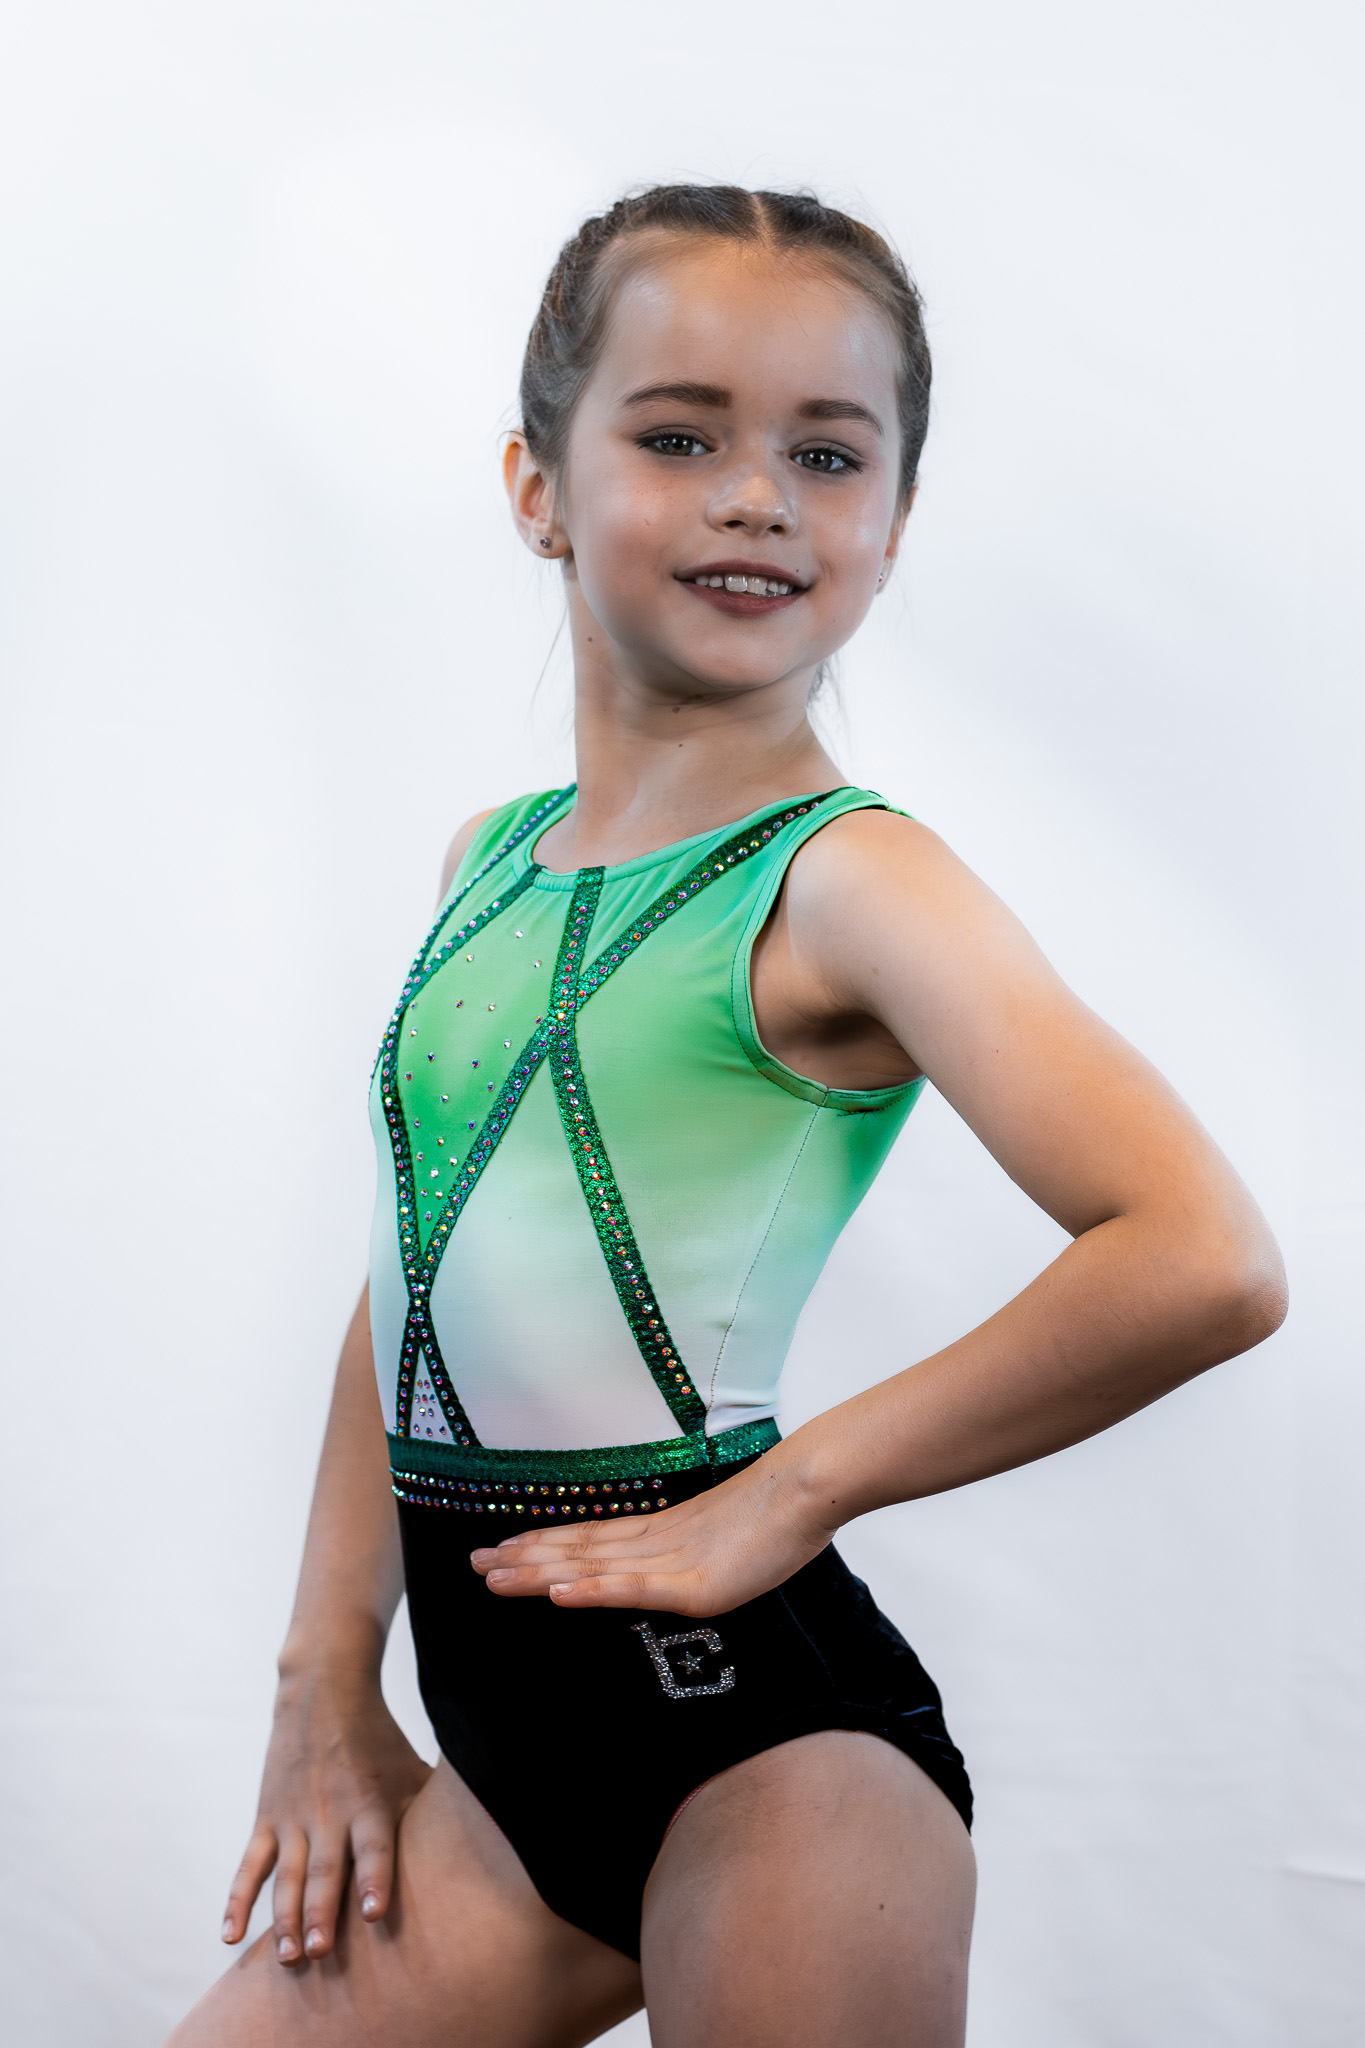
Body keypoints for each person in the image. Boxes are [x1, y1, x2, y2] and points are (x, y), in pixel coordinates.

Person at [167, 185, 1286, 2048]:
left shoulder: (853, 881)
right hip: (507, 1777)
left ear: (892, 524)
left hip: (769, 1771)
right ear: (535, 483)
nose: (757, 496)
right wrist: (323, 1674)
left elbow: (1203, 1259)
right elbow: (420, 1272)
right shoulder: (491, 859)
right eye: (680, 436)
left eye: (825, 454)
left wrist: (792, 1490)